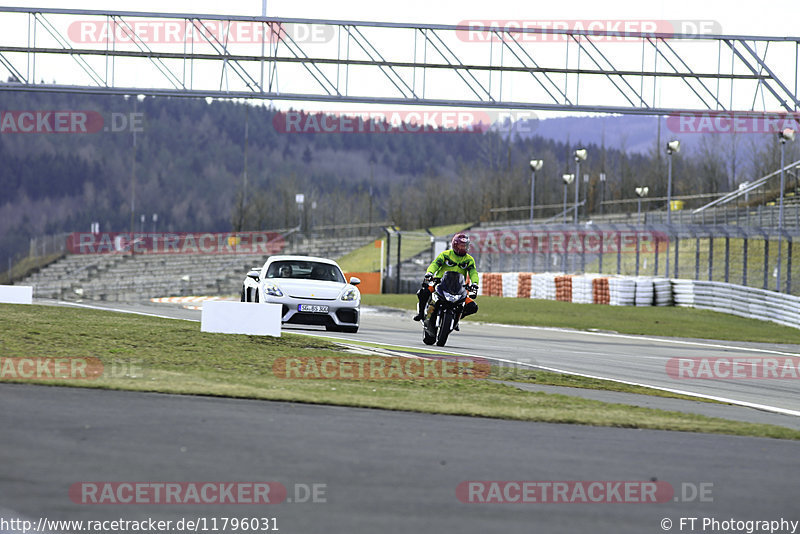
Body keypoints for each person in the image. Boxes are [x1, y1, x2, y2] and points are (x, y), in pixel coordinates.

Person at [413, 232, 479, 327]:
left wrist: (475, 283)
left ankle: (456, 318)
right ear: (455, 245)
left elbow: (473, 272)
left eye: (465, 246)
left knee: (473, 307)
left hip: (459, 287)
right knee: (423, 292)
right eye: (461, 246)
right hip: (440, 283)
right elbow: (435, 264)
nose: (464, 248)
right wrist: (429, 273)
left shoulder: (469, 259)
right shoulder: (445, 255)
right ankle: (420, 314)